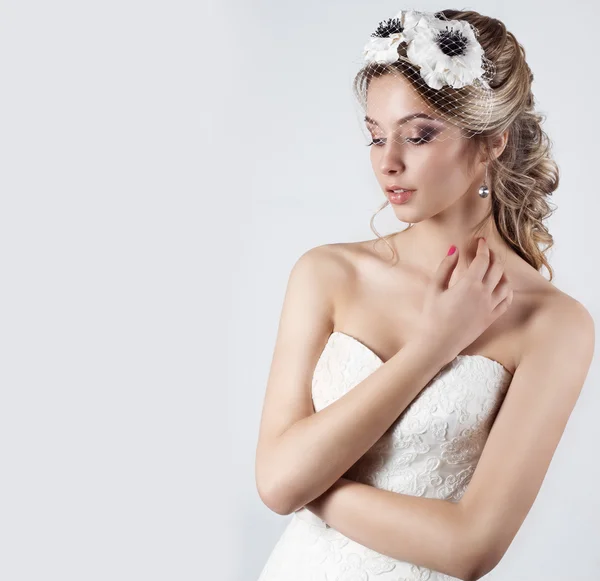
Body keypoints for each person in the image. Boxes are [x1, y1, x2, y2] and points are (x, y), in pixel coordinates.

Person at [254, 8, 595, 581]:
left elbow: (471, 548)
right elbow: (275, 480)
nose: (388, 162)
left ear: (492, 141)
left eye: (419, 135)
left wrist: (310, 486)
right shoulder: (326, 274)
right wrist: (434, 346)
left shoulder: (554, 325)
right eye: (375, 136)